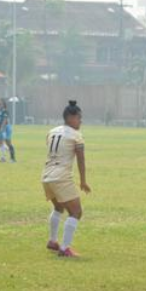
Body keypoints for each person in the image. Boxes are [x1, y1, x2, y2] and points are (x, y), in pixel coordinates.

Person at [42, 100, 92, 257]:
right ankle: (64, 248)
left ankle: (52, 241)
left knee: (58, 207)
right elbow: (81, 159)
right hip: (61, 177)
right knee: (76, 212)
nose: (81, 121)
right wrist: (83, 181)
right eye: (79, 117)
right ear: (70, 118)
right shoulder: (76, 136)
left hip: (46, 175)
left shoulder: (52, 131)